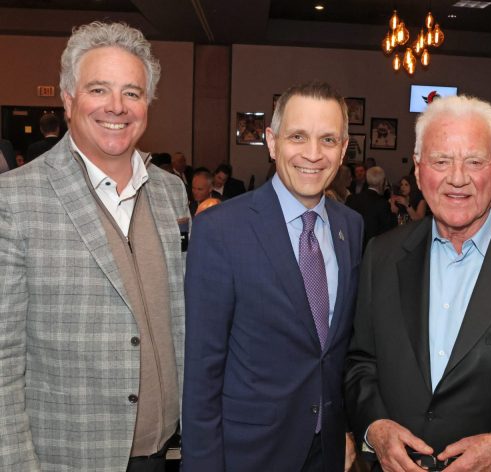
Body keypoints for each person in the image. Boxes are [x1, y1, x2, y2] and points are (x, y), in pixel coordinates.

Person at [345, 95, 491, 472]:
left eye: (474, 161)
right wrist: (376, 428)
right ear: (418, 171)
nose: (457, 178)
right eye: (441, 161)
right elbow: (361, 362)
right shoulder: (381, 256)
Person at [0, 22, 189, 471]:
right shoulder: (15, 199)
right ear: (67, 100)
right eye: (98, 89)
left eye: (132, 93)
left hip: (170, 452)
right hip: (68, 458)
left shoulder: (171, 192)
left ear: (147, 103)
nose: (116, 107)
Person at [183, 81, 363, 472]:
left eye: (328, 139)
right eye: (298, 136)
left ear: (344, 149)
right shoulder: (221, 230)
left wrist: (345, 428)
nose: (313, 154)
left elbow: (336, 351)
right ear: (272, 141)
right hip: (249, 454)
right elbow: (202, 371)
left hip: (328, 452)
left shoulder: (352, 227)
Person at [347, 166, 396, 249]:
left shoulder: (352, 199)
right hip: (373, 250)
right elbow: (389, 232)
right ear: (382, 182)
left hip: (352, 247)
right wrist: (394, 213)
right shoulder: (382, 204)